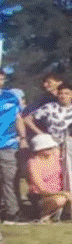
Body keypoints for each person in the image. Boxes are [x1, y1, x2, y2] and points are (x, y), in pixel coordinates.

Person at [25, 133, 72, 223]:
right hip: (41, 196)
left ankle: (57, 214)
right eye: (47, 148)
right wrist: (64, 193)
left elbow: (66, 147)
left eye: (51, 147)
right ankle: (43, 215)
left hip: (60, 192)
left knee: (62, 198)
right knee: (60, 200)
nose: (51, 149)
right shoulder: (33, 163)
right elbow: (41, 189)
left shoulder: (56, 155)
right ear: (39, 150)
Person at [0, 68, 28, 224]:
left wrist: (22, 137)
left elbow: (19, 118)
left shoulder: (10, 97)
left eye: (1, 79)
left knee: (10, 179)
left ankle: (12, 212)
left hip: (8, 144)